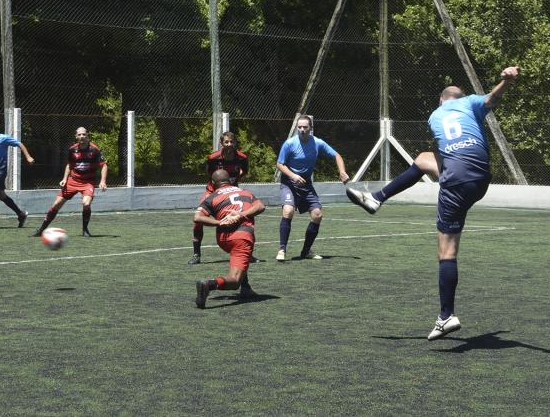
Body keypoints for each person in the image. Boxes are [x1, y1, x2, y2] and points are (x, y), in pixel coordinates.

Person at [346, 66, 520, 341]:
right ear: (461, 97)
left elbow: (448, 152)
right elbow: (490, 100)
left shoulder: (435, 116)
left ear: (441, 100)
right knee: (423, 159)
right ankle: (376, 198)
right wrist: (505, 82)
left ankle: (446, 316)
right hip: (481, 179)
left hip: (456, 182)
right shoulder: (471, 102)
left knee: (447, 252)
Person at [275, 115, 350, 261]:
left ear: (311, 128)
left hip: (306, 185)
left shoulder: (318, 143)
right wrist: (294, 176)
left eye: (305, 127)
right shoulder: (289, 143)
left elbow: (337, 155)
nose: (302, 130)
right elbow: (280, 164)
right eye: (299, 127)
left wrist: (342, 172)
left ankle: (306, 251)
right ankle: (282, 250)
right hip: (289, 183)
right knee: (288, 211)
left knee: (317, 215)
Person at [194, 170, 266, 308]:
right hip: (242, 236)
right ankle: (209, 284)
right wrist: (241, 215)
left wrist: (219, 222)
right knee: (234, 281)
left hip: (223, 238)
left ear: (213, 183)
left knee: (240, 260)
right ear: (230, 180)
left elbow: (197, 218)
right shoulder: (245, 192)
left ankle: (246, 288)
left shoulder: (211, 197)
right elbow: (260, 206)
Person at [32, 126, 108, 237]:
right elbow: (69, 165)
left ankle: (85, 230)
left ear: (87, 136)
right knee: (57, 204)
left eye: (84, 134)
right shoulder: (72, 149)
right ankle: (41, 230)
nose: (82, 136)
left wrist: (103, 181)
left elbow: (104, 165)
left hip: (87, 182)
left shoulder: (94, 149)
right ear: (76, 136)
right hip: (73, 181)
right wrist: (64, 179)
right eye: (79, 135)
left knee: (86, 204)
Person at [189, 131, 249, 265]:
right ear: (221, 144)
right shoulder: (213, 158)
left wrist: (232, 184)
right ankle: (196, 254)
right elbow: (210, 175)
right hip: (212, 191)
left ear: (235, 143)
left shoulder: (242, 158)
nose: (229, 144)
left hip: (231, 192)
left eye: (232, 142)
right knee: (198, 221)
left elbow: (244, 172)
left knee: (242, 219)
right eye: (226, 142)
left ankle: (246, 253)